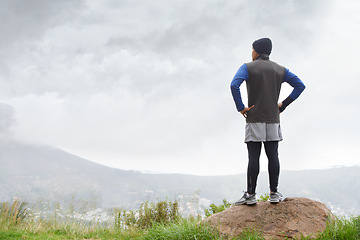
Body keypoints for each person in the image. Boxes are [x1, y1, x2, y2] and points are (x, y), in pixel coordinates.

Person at [230, 38, 305, 205]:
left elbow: (234, 85)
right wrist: (283, 105)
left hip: (254, 118)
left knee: (253, 156)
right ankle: (274, 193)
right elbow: (300, 86)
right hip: (273, 119)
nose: (251, 53)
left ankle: (250, 195)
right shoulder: (280, 69)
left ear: (256, 51)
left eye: (252, 50)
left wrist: (241, 107)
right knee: (273, 156)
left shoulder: (247, 67)